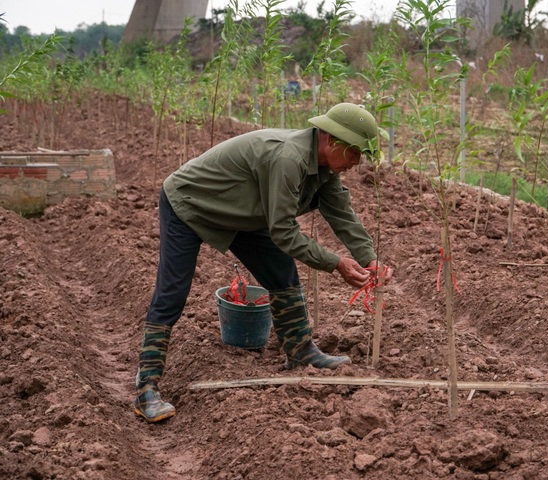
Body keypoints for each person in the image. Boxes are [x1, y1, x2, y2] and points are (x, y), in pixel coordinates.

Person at [134, 103, 393, 423]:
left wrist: (370, 259)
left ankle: (301, 352)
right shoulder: (289, 158)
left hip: (244, 213)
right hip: (190, 203)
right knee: (173, 291)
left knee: (280, 271)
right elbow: (284, 232)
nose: (356, 162)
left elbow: (341, 213)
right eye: (354, 152)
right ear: (331, 140)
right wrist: (335, 262)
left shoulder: (324, 167)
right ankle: (147, 385)